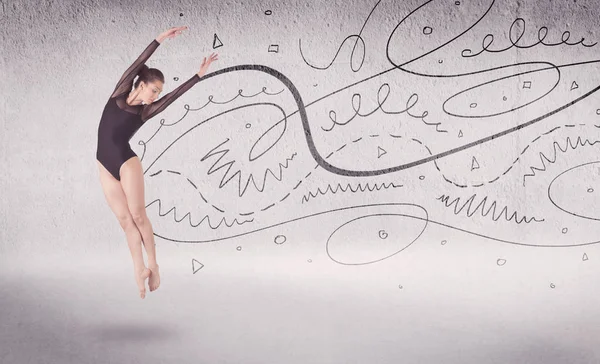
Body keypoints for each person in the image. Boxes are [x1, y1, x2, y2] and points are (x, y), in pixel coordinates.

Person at [96, 26, 218, 299]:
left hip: (126, 163)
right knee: (125, 221)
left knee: (138, 215)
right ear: (141, 84)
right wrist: (160, 39)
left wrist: (198, 76)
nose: (155, 96)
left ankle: (153, 264)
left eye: (158, 92)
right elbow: (138, 63)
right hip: (104, 166)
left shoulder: (145, 111)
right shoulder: (118, 93)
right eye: (153, 90)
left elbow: (173, 98)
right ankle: (139, 272)